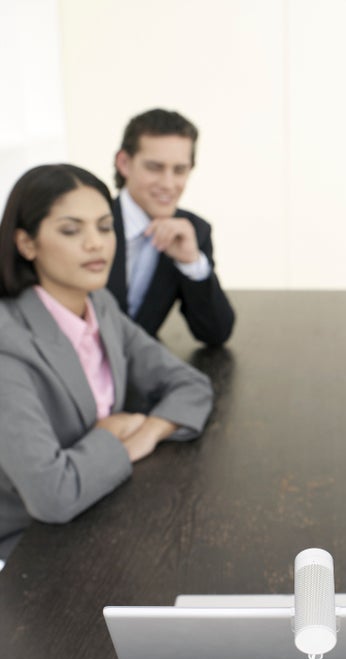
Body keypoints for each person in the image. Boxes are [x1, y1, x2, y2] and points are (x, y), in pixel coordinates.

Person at [0, 164, 214, 561]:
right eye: (71, 230)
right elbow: (53, 497)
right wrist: (114, 435)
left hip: (101, 515)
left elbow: (191, 385)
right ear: (26, 244)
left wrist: (147, 432)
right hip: (29, 552)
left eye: (104, 227)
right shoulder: (7, 342)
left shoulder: (98, 304)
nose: (96, 244)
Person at [109, 108, 235, 345]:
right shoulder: (92, 222)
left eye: (179, 170)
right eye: (154, 167)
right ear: (124, 163)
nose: (168, 184)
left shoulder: (195, 231)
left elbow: (216, 333)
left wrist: (191, 263)